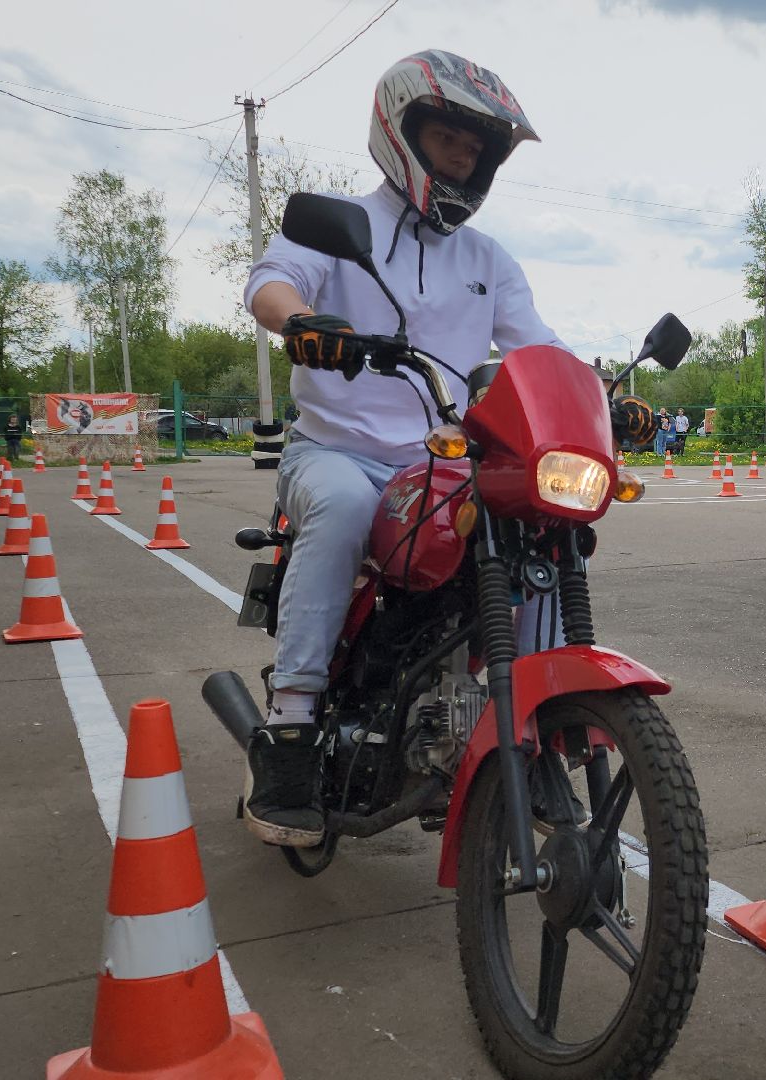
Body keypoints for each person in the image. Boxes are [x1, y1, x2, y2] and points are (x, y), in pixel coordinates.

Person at [239, 47, 561, 848]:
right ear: (402, 132)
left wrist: (604, 393)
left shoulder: (488, 260)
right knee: (345, 505)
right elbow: (269, 283)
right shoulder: (343, 225)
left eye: (475, 149)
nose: (463, 158)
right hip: (337, 452)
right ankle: (291, 727)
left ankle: (539, 723)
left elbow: (538, 347)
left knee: (538, 527)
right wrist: (302, 322)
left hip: (441, 466)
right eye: (448, 138)